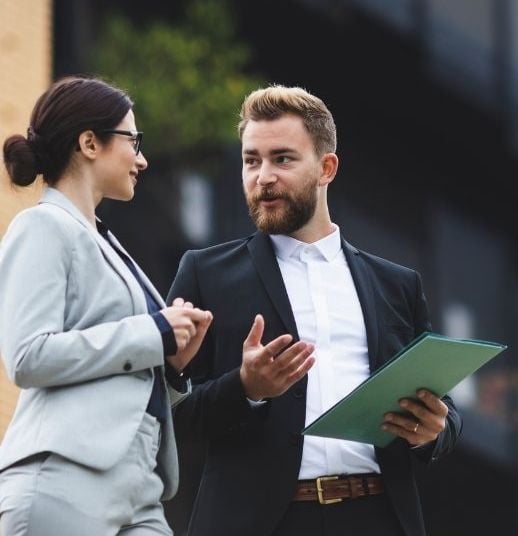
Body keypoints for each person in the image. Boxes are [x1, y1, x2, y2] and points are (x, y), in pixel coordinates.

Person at [167, 85, 461, 536]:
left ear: (327, 168)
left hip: (377, 516)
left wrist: (436, 429)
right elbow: (168, 410)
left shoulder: (397, 285)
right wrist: (245, 388)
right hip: (260, 524)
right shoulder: (205, 273)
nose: (263, 176)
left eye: (282, 159)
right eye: (251, 160)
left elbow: (441, 405)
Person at [0, 77, 213, 535]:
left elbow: (126, 378)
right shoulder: (41, 226)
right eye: (133, 140)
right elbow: (26, 356)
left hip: (143, 490)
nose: (142, 158)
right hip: (64, 478)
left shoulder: (107, 243)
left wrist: (173, 365)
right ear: (90, 143)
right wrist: (152, 334)